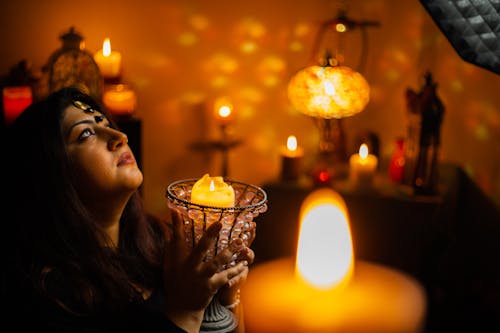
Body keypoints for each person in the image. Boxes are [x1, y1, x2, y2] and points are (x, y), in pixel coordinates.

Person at [1, 86, 254, 332]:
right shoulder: (49, 296)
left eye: (106, 124)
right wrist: (186, 310)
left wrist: (223, 296)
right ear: (50, 175)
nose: (119, 137)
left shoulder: (160, 241)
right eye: (86, 134)